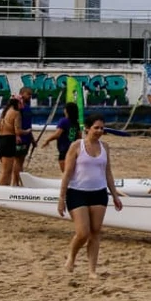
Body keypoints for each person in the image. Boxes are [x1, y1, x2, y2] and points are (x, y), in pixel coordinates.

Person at [58, 114, 123, 279]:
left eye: (102, 128)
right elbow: (67, 173)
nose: (100, 131)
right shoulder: (76, 146)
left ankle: (92, 270)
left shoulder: (105, 147)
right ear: (87, 128)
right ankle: (72, 256)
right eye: (96, 128)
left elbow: (108, 172)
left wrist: (115, 195)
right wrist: (61, 197)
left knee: (96, 232)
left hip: (99, 192)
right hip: (77, 192)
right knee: (83, 233)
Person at [41, 102, 81, 172]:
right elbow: (79, 137)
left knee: (65, 172)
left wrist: (47, 140)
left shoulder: (63, 121)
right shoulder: (76, 123)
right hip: (74, 150)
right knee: (73, 172)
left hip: (64, 150)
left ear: (66, 110)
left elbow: (57, 135)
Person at [0, 97, 22, 186]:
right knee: (6, 171)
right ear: (17, 104)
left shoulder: (1, 113)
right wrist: (27, 131)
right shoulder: (16, 113)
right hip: (8, 141)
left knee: (7, 170)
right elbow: (17, 131)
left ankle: (5, 188)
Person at [12, 87, 35, 186]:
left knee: (21, 161)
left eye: (31, 94)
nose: (30, 96)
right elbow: (15, 123)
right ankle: (15, 183)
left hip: (27, 138)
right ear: (21, 94)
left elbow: (28, 125)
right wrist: (17, 135)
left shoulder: (27, 107)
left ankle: (19, 182)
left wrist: (32, 139)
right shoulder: (18, 108)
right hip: (20, 137)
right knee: (18, 161)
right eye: (28, 94)